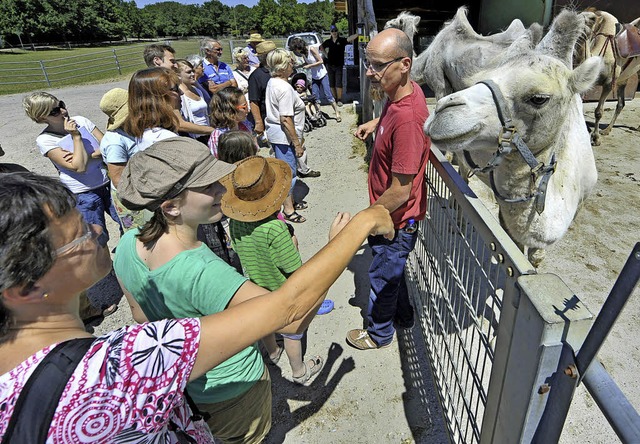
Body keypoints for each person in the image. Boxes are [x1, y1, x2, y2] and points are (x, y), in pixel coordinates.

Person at [0, 171, 394, 442]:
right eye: (80, 234)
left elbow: (140, 314)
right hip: (234, 394)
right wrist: (359, 225)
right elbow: (289, 310)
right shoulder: (125, 366)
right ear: (24, 287)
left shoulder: (129, 248)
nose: (98, 228)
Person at [347, 28, 431, 350]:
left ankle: (378, 334)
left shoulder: (409, 120)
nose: (370, 72)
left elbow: (400, 192)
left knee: (382, 278)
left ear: (404, 64)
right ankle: (405, 316)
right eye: (368, 63)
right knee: (392, 272)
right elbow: (393, 112)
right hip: (393, 217)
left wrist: (366, 219)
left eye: (378, 65)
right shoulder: (401, 95)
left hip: (394, 220)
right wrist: (376, 123)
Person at [224, 156, 324, 385]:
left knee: (264, 322)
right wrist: (294, 243)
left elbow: (238, 247)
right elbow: (292, 267)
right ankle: (299, 371)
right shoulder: (276, 228)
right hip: (282, 291)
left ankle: (272, 353)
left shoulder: (236, 223)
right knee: (292, 331)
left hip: (256, 286)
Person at [265, 48, 319, 224]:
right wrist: (297, 144)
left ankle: (291, 202)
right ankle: (288, 209)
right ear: (282, 66)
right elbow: (286, 119)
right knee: (289, 173)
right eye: (290, 62)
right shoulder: (285, 88)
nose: (293, 65)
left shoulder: (273, 82)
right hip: (284, 137)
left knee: (286, 170)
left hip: (277, 134)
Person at [125, 67, 214, 150]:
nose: (182, 93)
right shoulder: (163, 138)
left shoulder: (149, 134)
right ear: (156, 98)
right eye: (175, 89)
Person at [98, 88, 147, 232]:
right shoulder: (115, 142)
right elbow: (119, 179)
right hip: (134, 196)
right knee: (143, 233)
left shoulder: (132, 129)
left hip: (143, 189)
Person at [289, 37, 341, 122]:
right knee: (315, 96)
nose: (296, 51)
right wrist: (298, 66)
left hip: (322, 74)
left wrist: (309, 66)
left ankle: (337, 113)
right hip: (314, 76)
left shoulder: (311, 49)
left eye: (296, 49)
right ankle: (318, 112)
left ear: (300, 46)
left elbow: (320, 61)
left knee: (328, 95)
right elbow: (307, 62)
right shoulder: (303, 53)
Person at [208, 87, 254, 158]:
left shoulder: (245, 125)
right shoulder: (218, 136)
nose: (248, 110)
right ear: (230, 111)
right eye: (244, 107)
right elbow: (217, 160)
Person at [321, 24, 358, 106]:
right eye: (332, 31)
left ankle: (339, 99)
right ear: (330, 33)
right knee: (331, 83)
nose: (334, 32)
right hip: (329, 65)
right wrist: (325, 54)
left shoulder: (341, 40)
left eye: (335, 31)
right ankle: (334, 98)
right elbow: (321, 47)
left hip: (339, 65)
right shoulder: (328, 42)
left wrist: (358, 34)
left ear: (337, 32)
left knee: (339, 83)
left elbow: (349, 38)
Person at [177, 59, 212, 144]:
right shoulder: (179, 95)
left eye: (193, 71)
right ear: (178, 75)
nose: (193, 74)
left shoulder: (198, 90)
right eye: (189, 72)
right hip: (193, 139)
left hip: (207, 135)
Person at [248, 40, 276, 140]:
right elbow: (253, 100)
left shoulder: (277, 71)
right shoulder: (256, 76)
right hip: (268, 118)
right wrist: (259, 122)